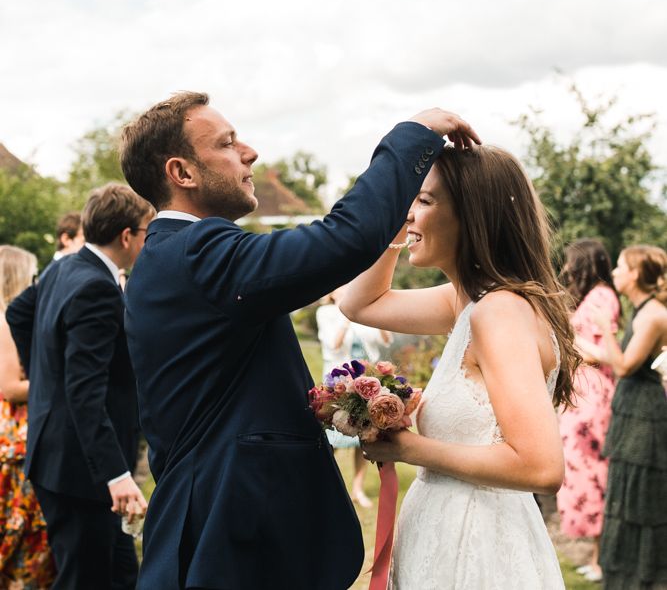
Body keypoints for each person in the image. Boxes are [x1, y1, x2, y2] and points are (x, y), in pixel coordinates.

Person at [118, 90, 480, 590]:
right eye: (227, 144)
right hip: (231, 532)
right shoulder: (196, 253)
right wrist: (413, 135)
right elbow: (342, 239)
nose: (249, 152)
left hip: (233, 523)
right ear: (182, 173)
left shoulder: (175, 257)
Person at [340, 145, 580, 589]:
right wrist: (397, 227)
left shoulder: (499, 312)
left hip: (478, 545)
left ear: (473, 214)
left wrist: (408, 448)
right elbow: (358, 303)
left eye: (425, 201)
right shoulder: (468, 301)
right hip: (448, 530)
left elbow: (541, 467)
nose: (411, 213)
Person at [5, 184, 154, 590]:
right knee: (84, 579)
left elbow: (19, 313)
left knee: (122, 573)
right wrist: (117, 475)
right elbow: (85, 393)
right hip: (81, 471)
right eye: (147, 232)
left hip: (56, 453)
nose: (148, 241)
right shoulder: (97, 288)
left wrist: (45, 377)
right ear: (127, 236)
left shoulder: (62, 267)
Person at [576, 245, 667, 590]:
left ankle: (645, 574)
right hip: (631, 407)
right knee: (625, 487)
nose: (613, 272)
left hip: (644, 413)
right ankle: (625, 573)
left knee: (639, 490)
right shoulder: (643, 310)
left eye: (620, 267)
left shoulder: (653, 314)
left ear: (636, 274)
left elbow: (626, 365)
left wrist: (606, 329)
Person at [556, 239, 621, 583]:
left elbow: (603, 352)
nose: (567, 270)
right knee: (587, 475)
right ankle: (597, 560)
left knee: (595, 476)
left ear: (585, 264)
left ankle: (601, 561)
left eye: (571, 263)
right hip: (583, 394)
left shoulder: (601, 297)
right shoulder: (592, 297)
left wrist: (567, 335)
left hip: (594, 395)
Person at [0, 245, 55, 588]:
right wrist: (56, 379)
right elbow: (9, 387)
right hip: (15, 436)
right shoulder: (5, 319)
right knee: (18, 536)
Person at [316, 285, 392, 508]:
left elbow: (384, 341)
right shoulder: (326, 313)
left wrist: (378, 318)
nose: (346, 289)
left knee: (363, 436)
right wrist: (347, 315)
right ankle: (324, 487)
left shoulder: (363, 312)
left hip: (365, 380)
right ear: (331, 292)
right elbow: (333, 344)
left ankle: (357, 490)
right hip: (338, 380)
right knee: (333, 437)